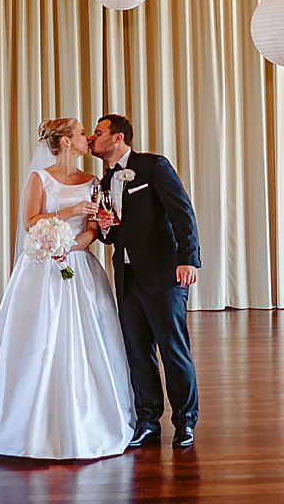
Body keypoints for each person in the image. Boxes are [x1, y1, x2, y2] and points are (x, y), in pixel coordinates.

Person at [0, 118, 134, 459]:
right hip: (41, 269)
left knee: (89, 342)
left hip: (78, 264)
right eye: (80, 132)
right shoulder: (39, 178)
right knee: (38, 340)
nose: (87, 137)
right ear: (66, 142)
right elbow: (30, 220)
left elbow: (92, 229)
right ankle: (29, 419)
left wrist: (71, 247)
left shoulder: (92, 181)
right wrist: (66, 215)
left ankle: (91, 413)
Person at [88, 113, 201, 449]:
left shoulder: (154, 166)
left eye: (98, 132)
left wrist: (188, 259)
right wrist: (107, 226)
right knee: (137, 353)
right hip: (127, 278)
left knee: (173, 350)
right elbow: (113, 237)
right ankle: (148, 421)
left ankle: (185, 422)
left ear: (118, 137)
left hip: (163, 275)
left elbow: (182, 212)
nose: (93, 138)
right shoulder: (106, 181)